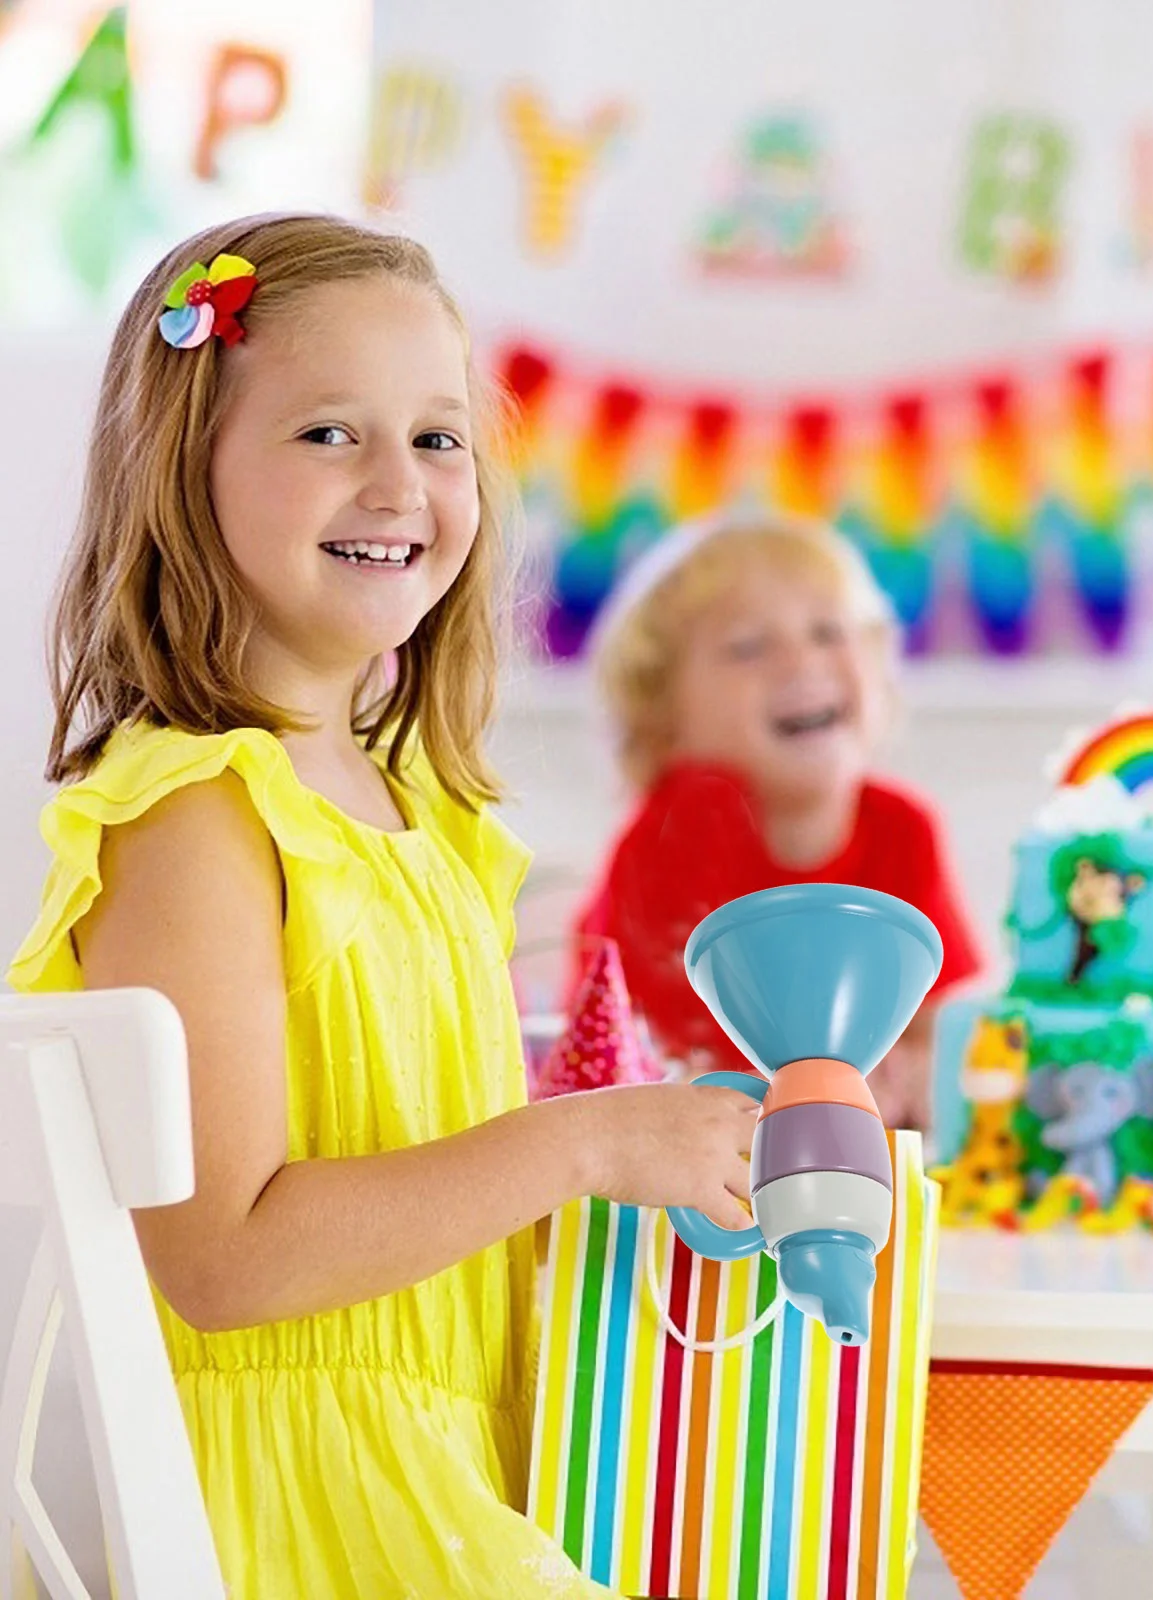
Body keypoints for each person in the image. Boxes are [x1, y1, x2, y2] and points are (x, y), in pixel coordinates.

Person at [7, 213, 757, 1600]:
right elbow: (225, 1255)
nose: (397, 484)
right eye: (327, 434)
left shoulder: (422, 807)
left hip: (467, 1461)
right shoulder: (196, 817)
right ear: (185, 471)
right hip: (313, 1515)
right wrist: (584, 1144)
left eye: (437, 436)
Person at [569, 513, 983, 1128]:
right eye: (748, 646)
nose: (800, 661)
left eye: (828, 631)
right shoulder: (671, 839)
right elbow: (681, 1059)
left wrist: (918, 1071)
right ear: (664, 717)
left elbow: (941, 1025)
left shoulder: (902, 828)